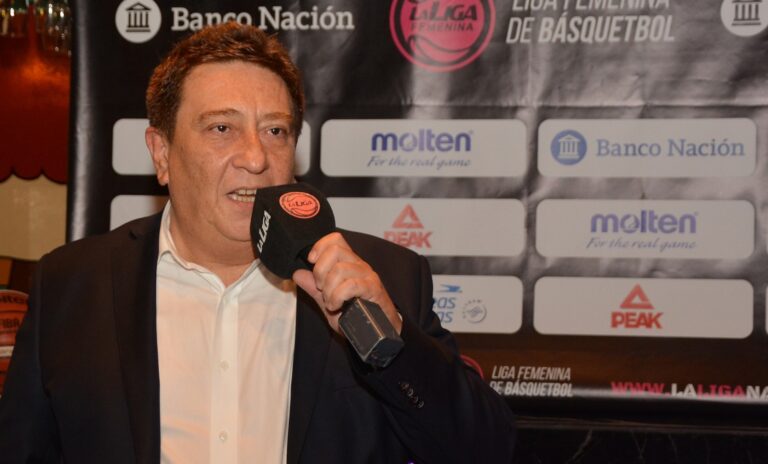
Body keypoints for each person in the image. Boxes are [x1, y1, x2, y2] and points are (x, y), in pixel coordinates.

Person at [0, 22, 515, 463]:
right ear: (161, 153)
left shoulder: (384, 277)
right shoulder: (71, 285)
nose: (255, 157)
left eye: (275, 131)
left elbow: (485, 451)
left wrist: (390, 344)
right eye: (222, 128)